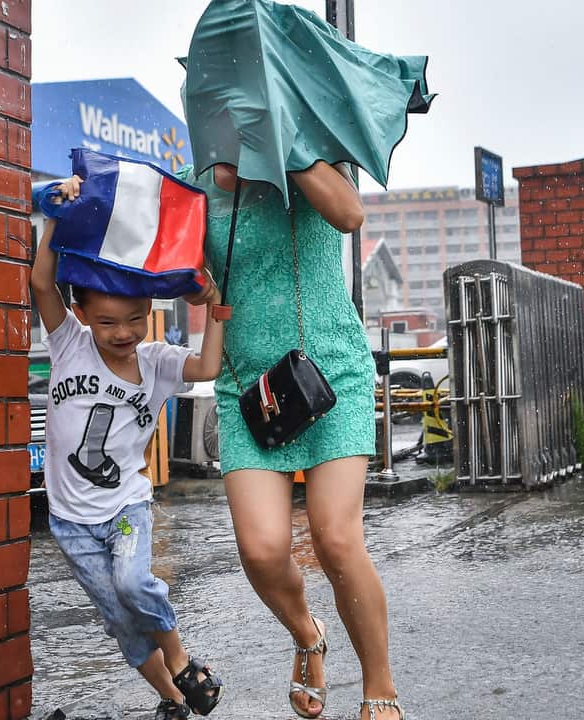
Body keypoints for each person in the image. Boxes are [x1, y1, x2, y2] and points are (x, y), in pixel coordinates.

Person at [180, 159, 403, 720]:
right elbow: (181, 272)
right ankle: (308, 635)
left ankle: (380, 685)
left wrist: (292, 157)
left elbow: (350, 214)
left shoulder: (309, 159)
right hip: (249, 389)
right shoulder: (194, 181)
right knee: (261, 549)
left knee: (335, 539)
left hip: (330, 376)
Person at [30, 175, 228, 720]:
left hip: (124, 507)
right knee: (120, 620)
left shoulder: (158, 361)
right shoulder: (69, 342)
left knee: (134, 582)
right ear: (84, 315)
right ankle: (172, 699)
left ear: (150, 312)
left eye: (135, 319)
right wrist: (52, 216)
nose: (123, 332)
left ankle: (184, 663)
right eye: (107, 322)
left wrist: (218, 309)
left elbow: (207, 367)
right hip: (70, 521)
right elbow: (43, 285)